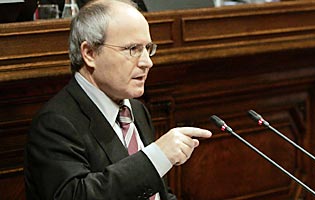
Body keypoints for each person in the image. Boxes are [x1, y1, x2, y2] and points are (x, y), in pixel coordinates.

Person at [24, 0, 212, 199]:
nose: (147, 62)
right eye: (132, 49)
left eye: (148, 48)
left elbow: (157, 193)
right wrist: (156, 157)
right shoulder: (55, 123)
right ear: (89, 53)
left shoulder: (136, 110)